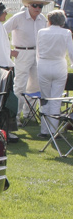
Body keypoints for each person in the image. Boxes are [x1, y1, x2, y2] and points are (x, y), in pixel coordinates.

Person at [5, 0, 50, 124]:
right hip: (22, 52)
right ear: (28, 5)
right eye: (35, 5)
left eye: (40, 6)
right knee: (20, 85)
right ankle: (15, 116)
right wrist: (8, 50)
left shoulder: (42, 19)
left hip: (37, 53)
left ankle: (29, 114)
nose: (37, 8)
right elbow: (2, 31)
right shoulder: (18, 17)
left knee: (35, 85)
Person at [35, 10, 73, 139]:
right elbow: (71, 52)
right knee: (56, 99)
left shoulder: (41, 32)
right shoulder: (66, 33)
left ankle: (44, 130)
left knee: (45, 99)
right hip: (59, 65)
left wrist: (39, 63)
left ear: (50, 20)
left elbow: (38, 51)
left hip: (44, 65)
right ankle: (54, 130)